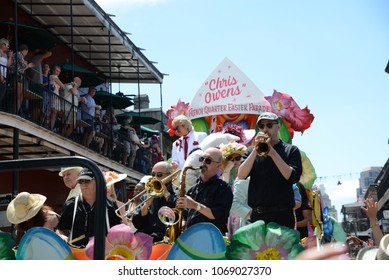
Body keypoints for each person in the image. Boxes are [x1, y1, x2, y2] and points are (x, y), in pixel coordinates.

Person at [237, 112, 302, 229]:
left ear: (278, 126)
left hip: (283, 215)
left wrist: (272, 153)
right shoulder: (251, 151)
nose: (265, 129)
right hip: (258, 216)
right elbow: (241, 175)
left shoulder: (291, 150)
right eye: (261, 126)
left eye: (269, 125)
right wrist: (255, 150)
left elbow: (293, 177)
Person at [56, 168, 122, 247]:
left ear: (97, 182)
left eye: (87, 181)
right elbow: (60, 229)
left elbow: (118, 231)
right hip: (77, 254)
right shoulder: (71, 204)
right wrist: (62, 237)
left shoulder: (110, 204)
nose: (83, 184)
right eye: (80, 181)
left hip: (102, 254)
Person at [177, 147, 233, 235]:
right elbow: (185, 215)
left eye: (208, 161)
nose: (203, 163)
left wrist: (194, 205)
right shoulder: (193, 189)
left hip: (211, 239)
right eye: (202, 159)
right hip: (191, 239)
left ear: (218, 166)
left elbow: (217, 215)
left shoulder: (223, 188)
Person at [132, 161, 177, 242]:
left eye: (159, 175)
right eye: (153, 175)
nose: (155, 178)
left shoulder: (177, 195)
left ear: (170, 176)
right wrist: (146, 205)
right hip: (146, 241)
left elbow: (179, 220)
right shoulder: (145, 196)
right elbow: (137, 224)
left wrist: (168, 196)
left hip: (167, 242)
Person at [8, 44, 34, 113]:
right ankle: (15, 111)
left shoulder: (20, 56)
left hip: (18, 76)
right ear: (24, 50)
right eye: (26, 52)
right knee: (19, 95)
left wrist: (27, 65)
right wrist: (28, 65)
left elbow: (23, 68)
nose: (26, 54)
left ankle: (16, 111)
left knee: (20, 95)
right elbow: (23, 65)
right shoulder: (18, 54)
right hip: (15, 75)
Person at [49, 66, 66, 130]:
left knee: (54, 112)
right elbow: (62, 86)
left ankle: (51, 127)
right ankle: (50, 126)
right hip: (53, 95)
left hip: (56, 95)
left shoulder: (56, 77)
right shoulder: (53, 76)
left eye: (59, 71)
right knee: (53, 111)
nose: (57, 72)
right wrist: (69, 83)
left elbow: (61, 86)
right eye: (56, 71)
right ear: (53, 70)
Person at [0, 38, 13, 108]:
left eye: (8, 46)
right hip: (0, 75)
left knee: (2, 93)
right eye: (5, 44)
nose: (6, 46)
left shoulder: (5, 55)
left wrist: (10, 56)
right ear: (1, 43)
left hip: (3, 76)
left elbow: (7, 65)